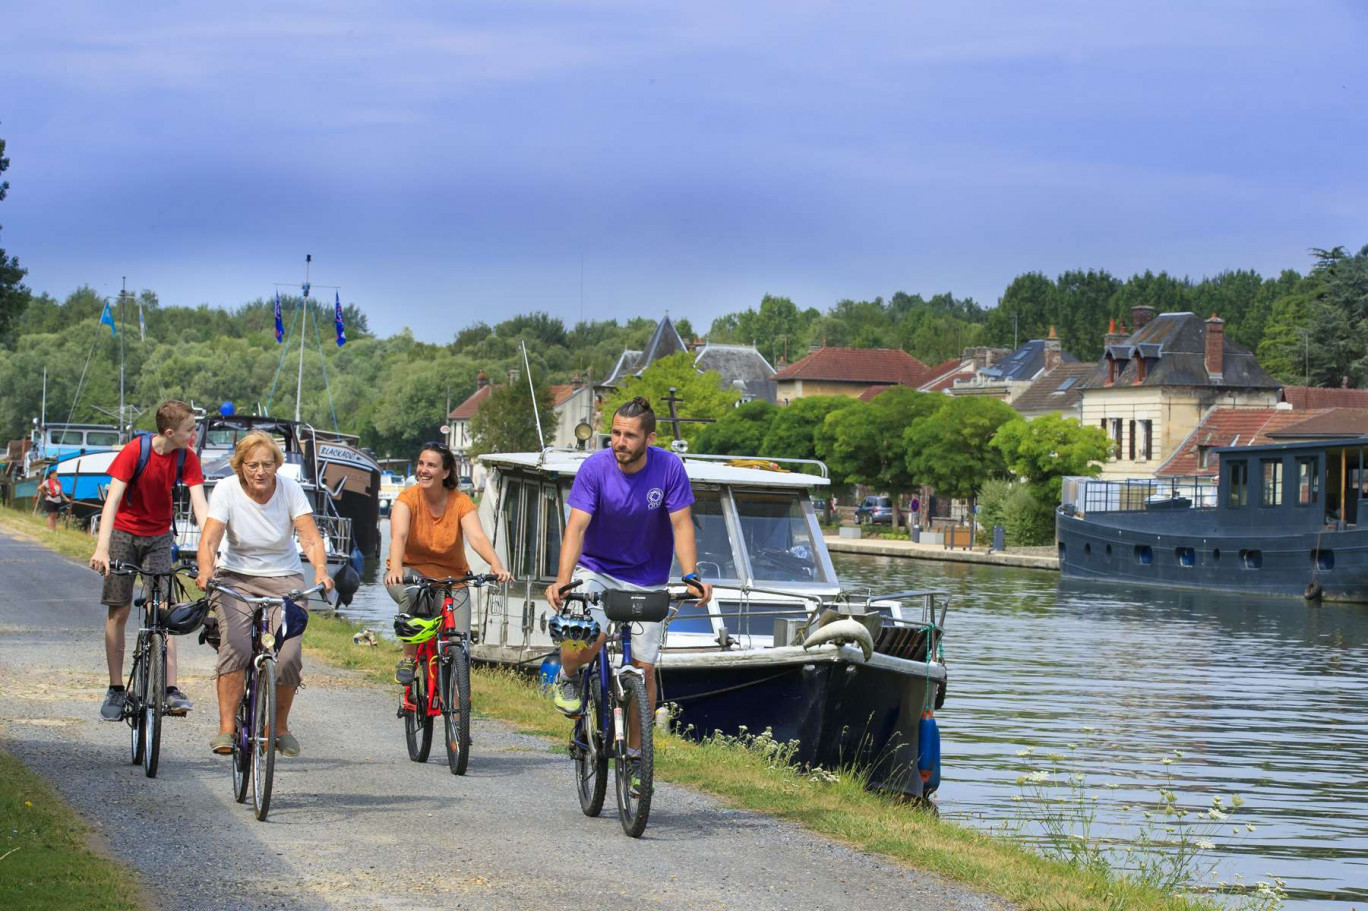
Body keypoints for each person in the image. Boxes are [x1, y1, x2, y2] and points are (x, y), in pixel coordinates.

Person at [545, 396, 714, 723]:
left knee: (644, 672)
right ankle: (568, 676)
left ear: (650, 439)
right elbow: (577, 527)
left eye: (630, 435)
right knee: (585, 644)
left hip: (648, 577)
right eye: (616, 433)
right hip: (598, 569)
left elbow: (681, 525)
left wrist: (691, 575)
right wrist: (563, 579)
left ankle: (637, 760)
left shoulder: (669, 468)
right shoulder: (594, 467)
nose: (620, 442)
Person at [195, 430, 333, 757]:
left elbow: (310, 539)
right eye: (253, 465)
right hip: (235, 578)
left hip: (284, 578)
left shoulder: (290, 490)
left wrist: (321, 571)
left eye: (268, 464)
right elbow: (210, 540)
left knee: (288, 656)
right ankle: (227, 728)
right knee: (238, 647)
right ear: (240, 465)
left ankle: (279, 727)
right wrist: (206, 570)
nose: (260, 472)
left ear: (277, 465)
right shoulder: (226, 490)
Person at [90, 401, 207, 721]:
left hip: (158, 537)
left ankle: (169, 689)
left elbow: (200, 505)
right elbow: (112, 500)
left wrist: (208, 551)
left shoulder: (186, 457)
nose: (194, 435)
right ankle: (116, 689)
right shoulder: (134, 451)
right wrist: (102, 549)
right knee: (119, 609)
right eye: (190, 430)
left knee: (164, 610)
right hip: (124, 536)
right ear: (170, 433)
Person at [385, 441, 511, 685]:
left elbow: (476, 537)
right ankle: (409, 658)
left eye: (431, 465)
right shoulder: (407, 499)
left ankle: (457, 709)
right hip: (410, 573)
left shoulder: (460, 501)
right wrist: (397, 567)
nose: (424, 469)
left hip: (451, 580)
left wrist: (496, 564)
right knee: (412, 595)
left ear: (445, 472)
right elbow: (398, 536)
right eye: (421, 463)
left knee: (459, 643)